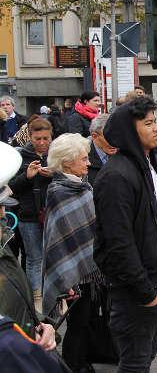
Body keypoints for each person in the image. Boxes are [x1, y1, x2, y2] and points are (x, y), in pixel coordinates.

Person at [93, 97, 157, 372]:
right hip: (138, 292)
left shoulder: (146, 165)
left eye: (154, 121)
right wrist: (147, 294)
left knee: (144, 358)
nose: (156, 128)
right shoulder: (116, 177)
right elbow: (119, 244)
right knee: (134, 363)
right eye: (148, 123)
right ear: (128, 131)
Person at [0, 141, 63, 373]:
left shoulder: (3, 246)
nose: (4, 213)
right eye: (0, 206)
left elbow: (14, 297)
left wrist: (39, 324)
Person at [43, 133, 103, 372]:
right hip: (73, 273)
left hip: (89, 268)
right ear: (67, 162)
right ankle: (73, 364)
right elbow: (58, 237)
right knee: (77, 322)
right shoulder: (58, 191)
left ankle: (82, 361)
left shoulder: (82, 185)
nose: (88, 163)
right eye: (83, 159)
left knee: (87, 319)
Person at [8, 116, 54, 312]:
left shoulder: (55, 154)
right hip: (28, 215)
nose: (42, 143)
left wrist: (54, 173)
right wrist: (27, 177)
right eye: (38, 139)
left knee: (51, 257)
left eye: (46, 138)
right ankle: (36, 302)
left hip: (52, 213)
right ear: (30, 137)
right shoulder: (21, 156)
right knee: (34, 259)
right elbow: (11, 189)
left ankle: (53, 296)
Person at [88, 114, 117, 185]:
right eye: (108, 137)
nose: (114, 142)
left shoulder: (125, 152)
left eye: (116, 135)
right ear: (94, 136)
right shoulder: (82, 157)